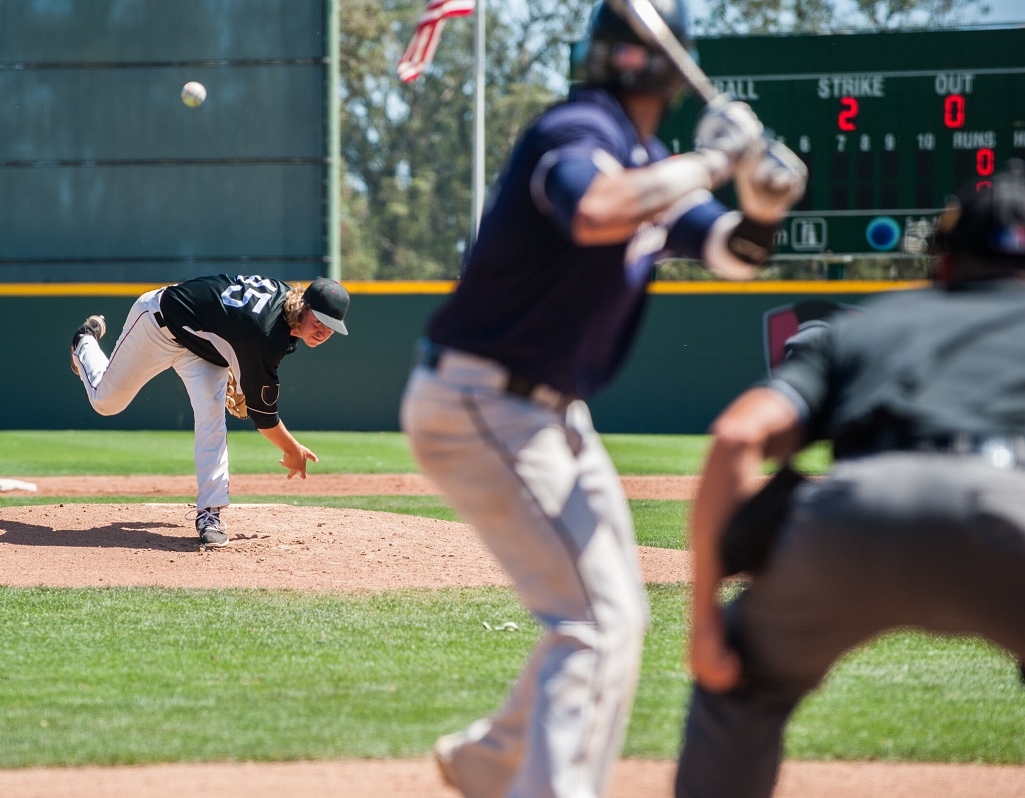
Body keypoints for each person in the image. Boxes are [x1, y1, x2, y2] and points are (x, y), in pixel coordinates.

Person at [397, 1, 806, 796]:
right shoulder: (577, 129)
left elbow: (729, 253)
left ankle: (492, 761)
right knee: (594, 622)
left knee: (612, 616)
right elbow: (595, 210)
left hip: (543, 413)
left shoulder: (645, 155)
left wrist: (761, 208)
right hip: (484, 398)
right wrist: (712, 163)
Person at [675, 160, 1025, 798]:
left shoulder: (874, 327)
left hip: (852, 516)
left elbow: (736, 438)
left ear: (944, 261)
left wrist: (705, 628)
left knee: (742, 684)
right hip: (1011, 513)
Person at [70, 274, 350, 548]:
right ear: (303, 306)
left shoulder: (287, 306)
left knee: (211, 417)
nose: (323, 332)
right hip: (160, 323)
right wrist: (293, 451)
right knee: (106, 401)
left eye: (331, 327)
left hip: (204, 348)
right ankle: (83, 342)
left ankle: (210, 514)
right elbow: (264, 418)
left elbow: (235, 325)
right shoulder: (264, 332)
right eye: (319, 322)